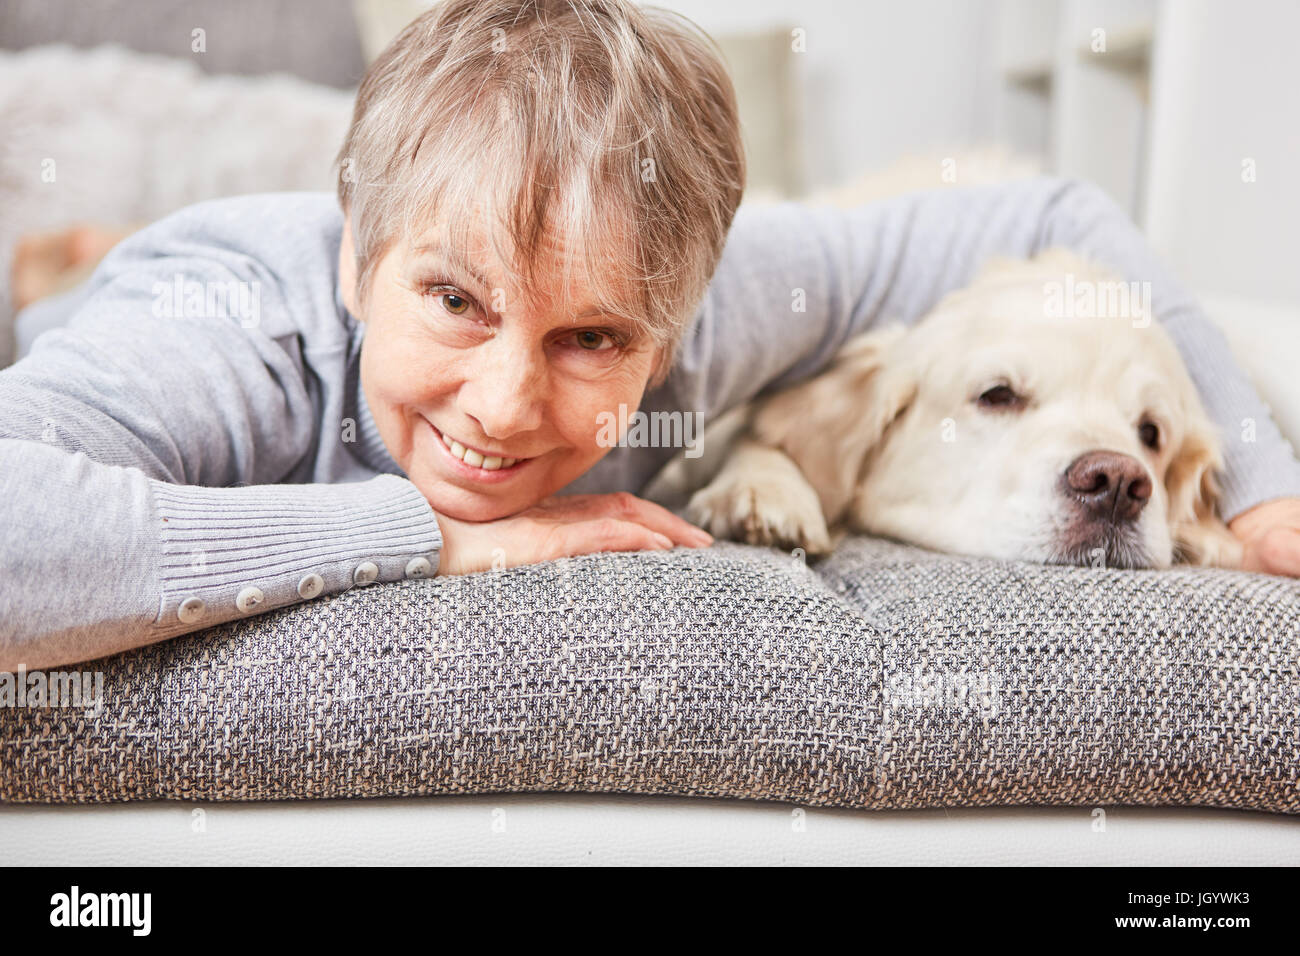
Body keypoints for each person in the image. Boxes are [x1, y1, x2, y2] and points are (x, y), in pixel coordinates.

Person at [3, 0, 1299, 672]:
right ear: (358, 256)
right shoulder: (245, 331)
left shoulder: (731, 294)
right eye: (454, 301)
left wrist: (1262, 482)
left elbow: (1059, 210)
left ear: (682, 318)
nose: (506, 405)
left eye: (592, 341)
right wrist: (442, 535)